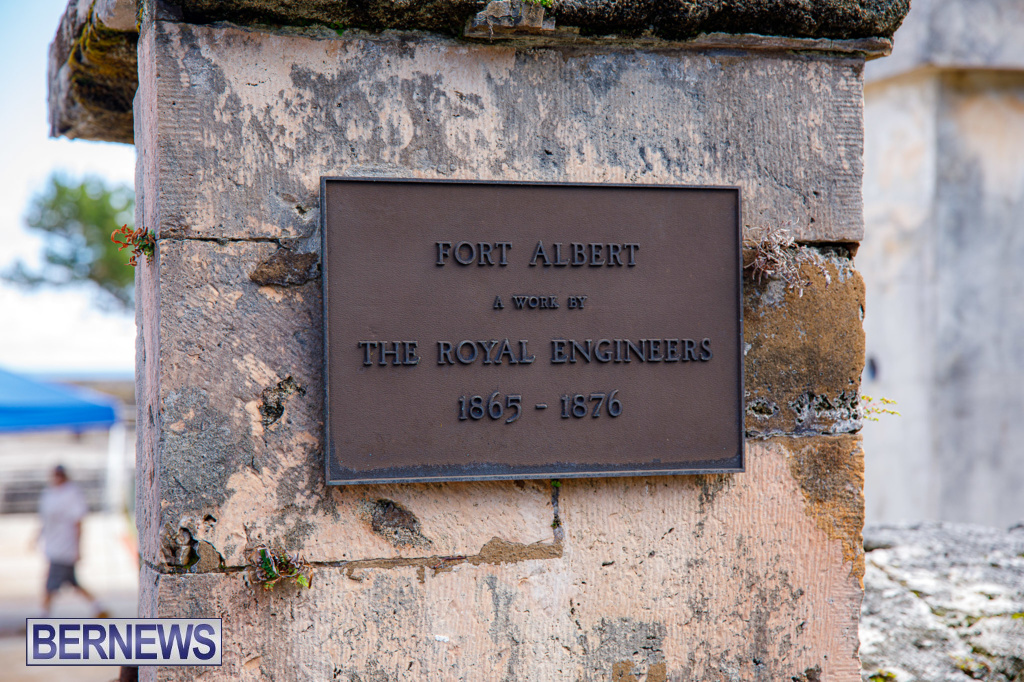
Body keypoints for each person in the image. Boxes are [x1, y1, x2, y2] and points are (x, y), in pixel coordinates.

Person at [37, 465, 106, 617]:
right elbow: (44, 520)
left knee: (51, 584)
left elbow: (78, 521)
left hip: (65, 546)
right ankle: (98, 607)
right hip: (53, 544)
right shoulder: (49, 493)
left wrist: (78, 546)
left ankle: (43, 615)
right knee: (73, 582)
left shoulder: (72, 493)